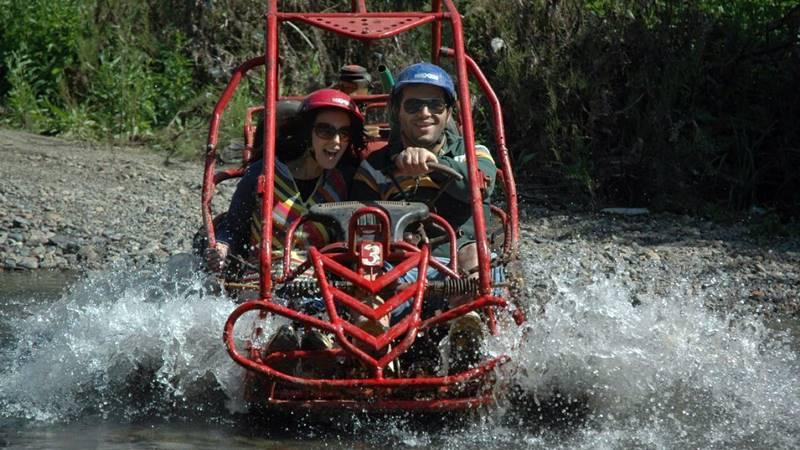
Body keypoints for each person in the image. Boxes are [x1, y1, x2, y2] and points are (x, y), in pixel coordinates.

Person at [350, 62, 498, 373]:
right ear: (398, 112)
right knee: (368, 263)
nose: (425, 113)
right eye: (414, 105)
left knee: (476, 254)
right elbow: (359, 222)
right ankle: (373, 345)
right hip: (400, 267)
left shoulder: (472, 151)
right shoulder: (375, 166)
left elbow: (482, 184)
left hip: (458, 263)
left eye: (435, 104)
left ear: (448, 112)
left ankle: (467, 331)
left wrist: (435, 165)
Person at [207, 88, 366, 366]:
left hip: (321, 283)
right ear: (308, 133)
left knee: (327, 308)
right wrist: (220, 247)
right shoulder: (265, 173)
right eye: (325, 131)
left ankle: (316, 347)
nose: (336, 141)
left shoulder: (347, 181)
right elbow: (232, 227)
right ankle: (277, 348)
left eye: (344, 133)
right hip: (264, 276)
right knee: (270, 312)